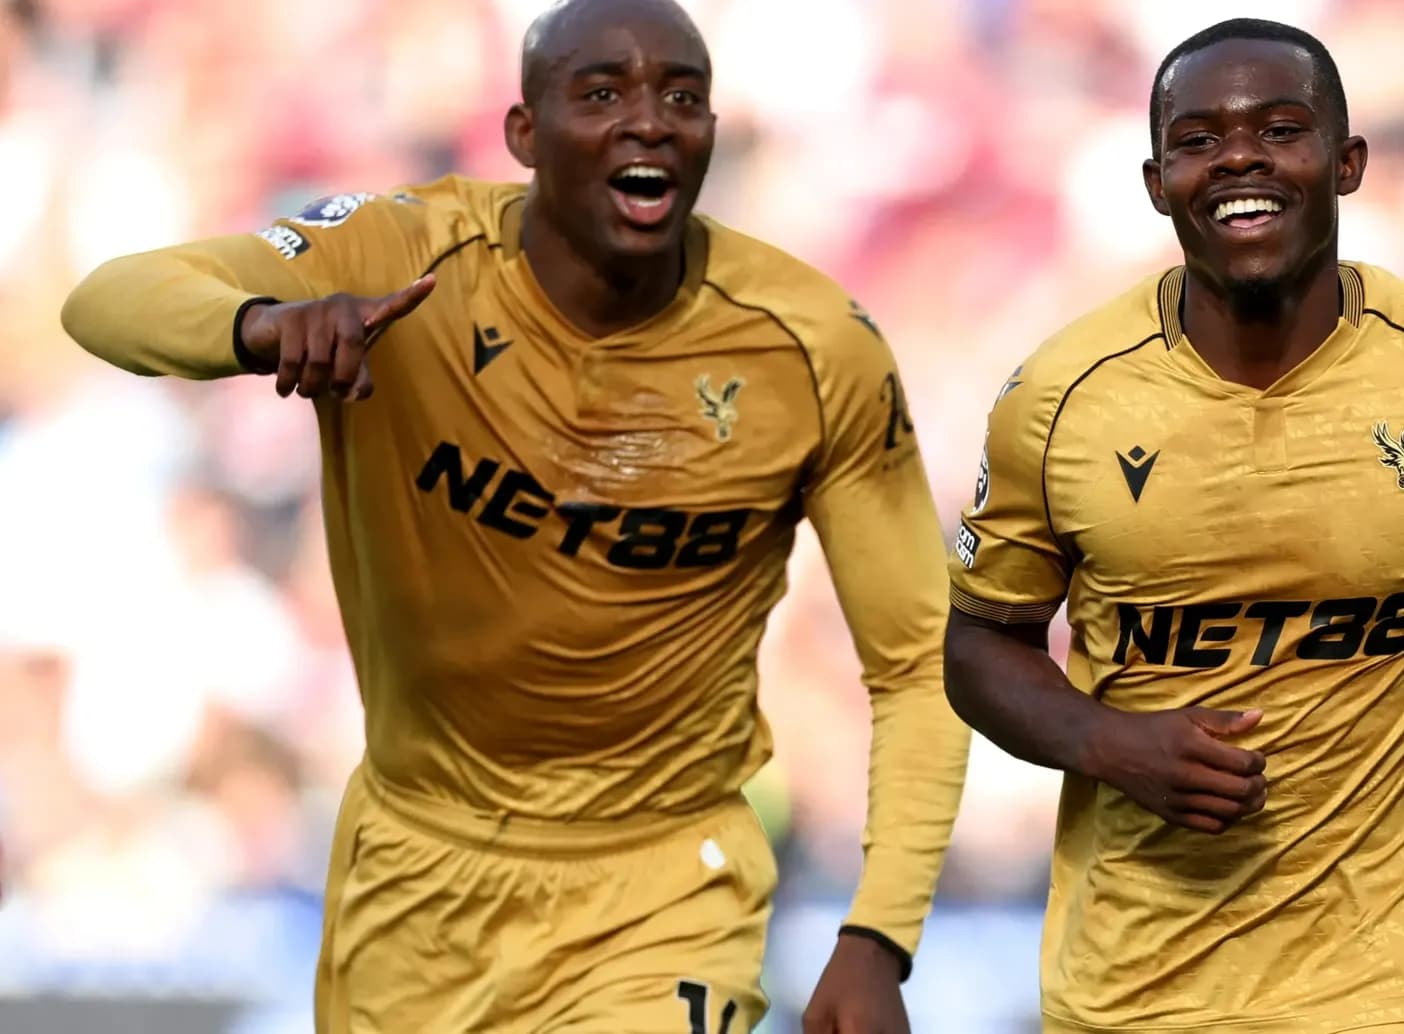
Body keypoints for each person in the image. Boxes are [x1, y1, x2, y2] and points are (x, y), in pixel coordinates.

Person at [59, 0, 970, 1031]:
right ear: (522, 136)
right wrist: (259, 323)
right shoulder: (403, 257)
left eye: (683, 98)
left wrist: (881, 931)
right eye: (601, 95)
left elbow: (915, 657)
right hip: (416, 877)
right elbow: (109, 299)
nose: (649, 122)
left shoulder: (813, 348)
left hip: (664, 886)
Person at [943, 17, 1404, 1034]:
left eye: (1280, 129)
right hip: (1134, 985)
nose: (1238, 157)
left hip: (1394, 987)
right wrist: (1111, 742)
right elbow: (979, 643)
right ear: (1155, 182)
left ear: (1347, 161)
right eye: (1196, 141)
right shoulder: (1061, 396)